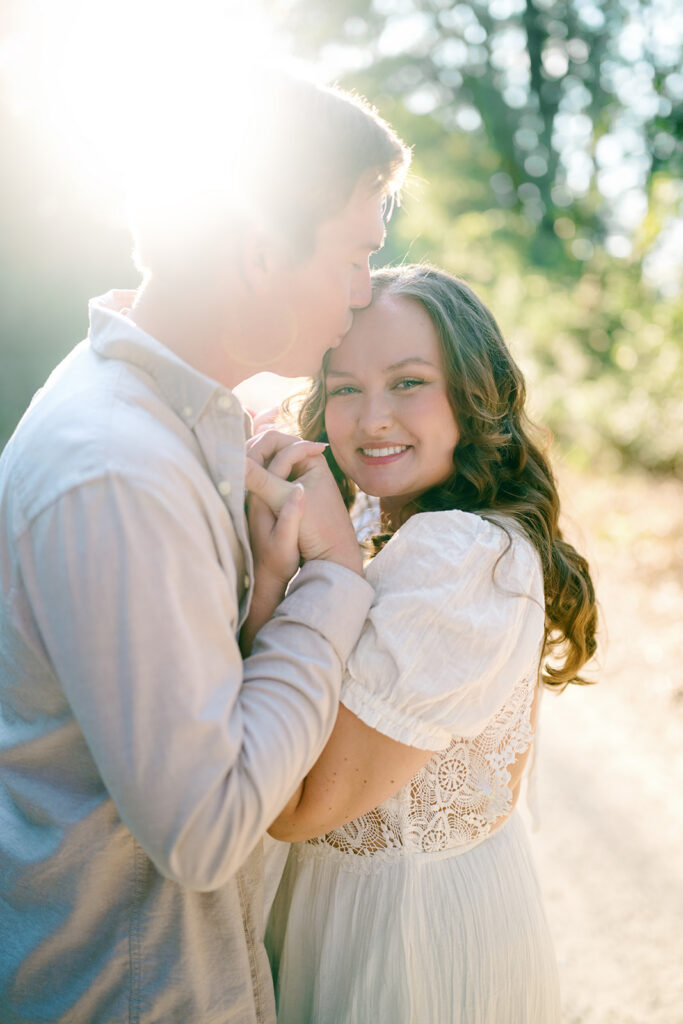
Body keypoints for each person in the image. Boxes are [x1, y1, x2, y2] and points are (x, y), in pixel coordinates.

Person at [0, 72, 410, 1022]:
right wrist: (333, 583)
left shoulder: (171, 424)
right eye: (355, 256)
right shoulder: (116, 469)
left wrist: (267, 587)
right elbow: (208, 828)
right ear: (261, 254)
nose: (362, 292)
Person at [244, 264, 597, 1023]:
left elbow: (293, 806)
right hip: (371, 917)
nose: (372, 418)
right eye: (344, 388)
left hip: (402, 944)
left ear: (475, 393)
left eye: (408, 382)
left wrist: (318, 565)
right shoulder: (388, 523)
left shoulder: (457, 558)